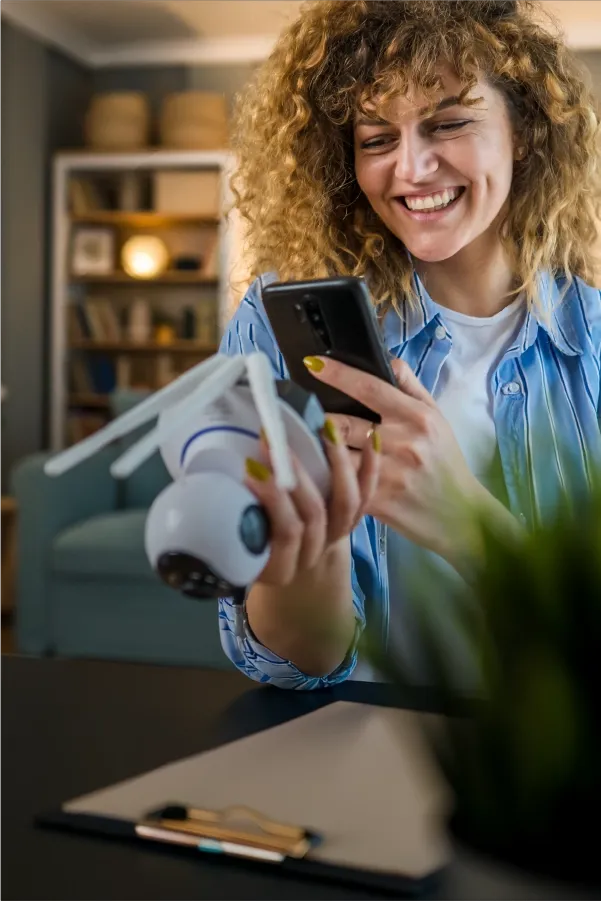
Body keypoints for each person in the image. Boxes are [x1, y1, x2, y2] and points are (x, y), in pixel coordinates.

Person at [217, 0, 601, 689]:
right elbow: (289, 661)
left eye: (448, 123)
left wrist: (466, 522)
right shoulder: (276, 324)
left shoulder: (594, 340)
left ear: (523, 133)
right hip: (350, 755)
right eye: (375, 139)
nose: (410, 169)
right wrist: (315, 539)